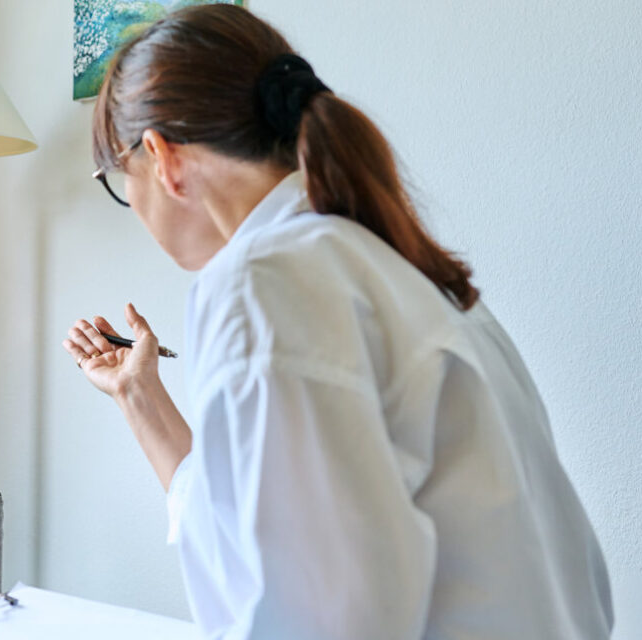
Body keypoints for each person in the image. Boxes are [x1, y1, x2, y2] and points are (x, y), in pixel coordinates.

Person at [63, 5, 612, 639]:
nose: (131, 207)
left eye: (118, 182)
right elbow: (259, 532)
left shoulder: (265, 283)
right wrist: (139, 393)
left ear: (162, 158)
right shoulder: (389, 266)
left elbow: (316, 617)